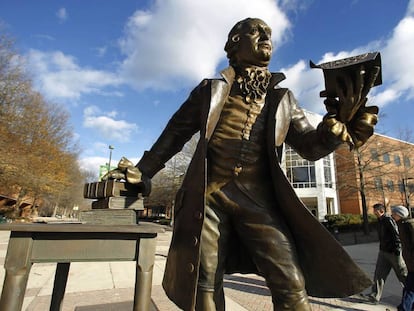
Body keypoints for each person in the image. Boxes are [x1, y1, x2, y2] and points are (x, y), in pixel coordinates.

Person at [108, 18, 379, 310]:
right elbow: (174, 134)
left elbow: (309, 147)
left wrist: (334, 131)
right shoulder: (210, 90)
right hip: (209, 198)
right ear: (234, 44)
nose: (265, 36)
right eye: (256, 31)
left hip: (259, 201)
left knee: (291, 282)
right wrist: (144, 170)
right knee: (205, 281)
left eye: (269, 34)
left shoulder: (283, 97)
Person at [364, 203, 407, 304]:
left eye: (375, 210)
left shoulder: (388, 220)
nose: (374, 212)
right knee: (379, 274)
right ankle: (374, 296)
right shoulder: (380, 221)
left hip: (393, 253)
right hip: (383, 252)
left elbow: (396, 235)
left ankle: (411, 294)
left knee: (403, 275)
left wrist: (397, 249)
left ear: (381, 211)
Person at [391, 205, 414, 311]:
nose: (392, 215)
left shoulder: (408, 225)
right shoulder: (401, 224)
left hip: (413, 263)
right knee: (409, 288)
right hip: (410, 263)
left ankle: (404, 309)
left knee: (410, 289)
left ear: (399, 214)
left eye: (394, 213)